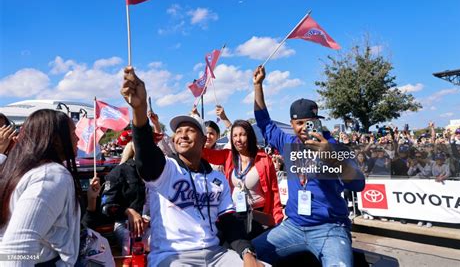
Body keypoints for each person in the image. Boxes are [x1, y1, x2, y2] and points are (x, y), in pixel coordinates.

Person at [121, 67, 263, 267]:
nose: (182, 135)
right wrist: (139, 109)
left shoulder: (217, 178)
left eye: (190, 130)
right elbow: (145, 153)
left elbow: (230, 223)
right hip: (173, 256)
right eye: (178, 131)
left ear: (204, 139)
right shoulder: (165, 169)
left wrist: (248, 254)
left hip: (216, 255)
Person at [251, 65, 365, 266]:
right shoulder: (288, 144)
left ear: (318, 122)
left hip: (330, 228)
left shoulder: (336, 147)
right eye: (299, 123)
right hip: (293, 226)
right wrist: (258, 85)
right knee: (248, 254)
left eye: (309, 122)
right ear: (292, 124)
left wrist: (331, 157)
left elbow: (358, 184)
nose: (304, 128)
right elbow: (264, 122)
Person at [0, 109, 81, 265]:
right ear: (56, 139)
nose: (77, 139)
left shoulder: (17, 170)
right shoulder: (50, 176)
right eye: (72, 133)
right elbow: (17, 252)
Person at [202, 119, 284, 240]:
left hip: (258, 217)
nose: (238, 139)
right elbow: (204, 153)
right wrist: (200, 134)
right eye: (234, 135)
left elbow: (274, 192)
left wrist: (277, 220)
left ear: (250, 136)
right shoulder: (228, 155)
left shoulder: (264, 159)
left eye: (242, 135)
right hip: (235, 214)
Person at [101, 141, 148, 255]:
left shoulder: (158, 171)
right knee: (137, 249)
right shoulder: (118, 172)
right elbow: (105, 207)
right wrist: (128, 211)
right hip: (125, 224)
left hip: (153, 222)